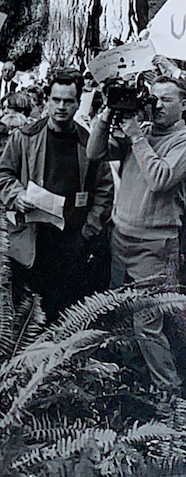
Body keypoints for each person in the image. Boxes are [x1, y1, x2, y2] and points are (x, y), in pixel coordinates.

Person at [87, 76, 186, 394]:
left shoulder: (181, 140)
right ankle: (132, 381)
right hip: (122, 234)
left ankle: (168, 396)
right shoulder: (141, 132)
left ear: (184, 105)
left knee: (148, 323)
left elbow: (160, 179)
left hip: (153, 244)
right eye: (153, 97)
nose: (156, 104)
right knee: (122, 314)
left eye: (166, 100)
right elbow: (94, 153)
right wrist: (106, 115)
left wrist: (136, 138)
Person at [0, 72, 113, 324]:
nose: (61, 107)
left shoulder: (88, 142)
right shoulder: (24, 137)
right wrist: (17, 195)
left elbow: (104, 190)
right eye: (56, 100)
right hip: (33, 238)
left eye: (68, 101)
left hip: (72, 240)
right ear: (46, 101)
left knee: (65, 310)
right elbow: (2, 174)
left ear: (78, 102)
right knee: (27, 312)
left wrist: (89, 229)